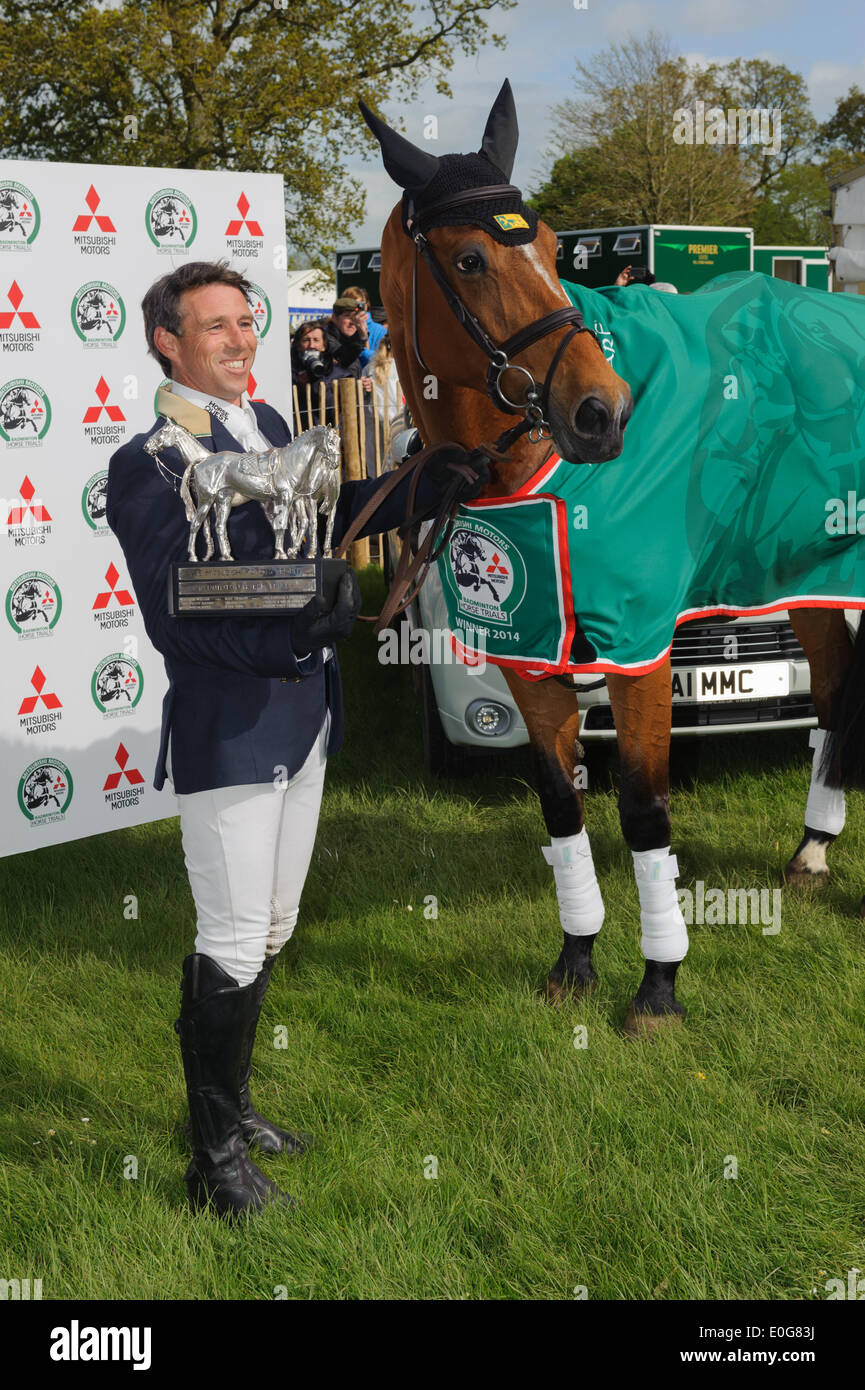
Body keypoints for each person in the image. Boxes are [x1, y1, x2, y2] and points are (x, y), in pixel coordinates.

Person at [106, 260, 487, 1218]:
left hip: (306, 717)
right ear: (168, 341)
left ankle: (231, 1110)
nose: (241, 341)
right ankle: (212, 1165)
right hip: (230, 726)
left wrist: (414, 484)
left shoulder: (272, 429)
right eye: (216, 327)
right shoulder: (148, 463)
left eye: (247, 321)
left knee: (272, 927)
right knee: (231, 934)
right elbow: (176, 615)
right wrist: (293, 629)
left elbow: (331, 507)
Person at [341, 286, 387, 368]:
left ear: (366, 305)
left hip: (371, 376)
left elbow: (383, 359)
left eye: (360, 305)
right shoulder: (340, 327)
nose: (356, 309)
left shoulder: (379, 330)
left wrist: (361, 349)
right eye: (352, 304)